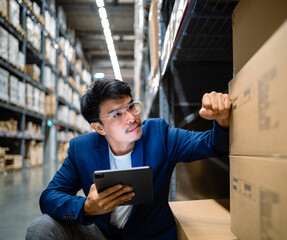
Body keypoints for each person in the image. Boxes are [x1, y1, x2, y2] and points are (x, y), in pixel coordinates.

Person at [26, 79, 231, 240]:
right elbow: (49, 197)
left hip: (150, 237)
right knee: (41, 228)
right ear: (99, 127)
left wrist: (221, 120)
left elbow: (213, 144)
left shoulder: (159, 135)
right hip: (102, 235)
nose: (132, 117)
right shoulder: (82, 148)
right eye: (117, 114)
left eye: (131, 106)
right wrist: (86, 208)